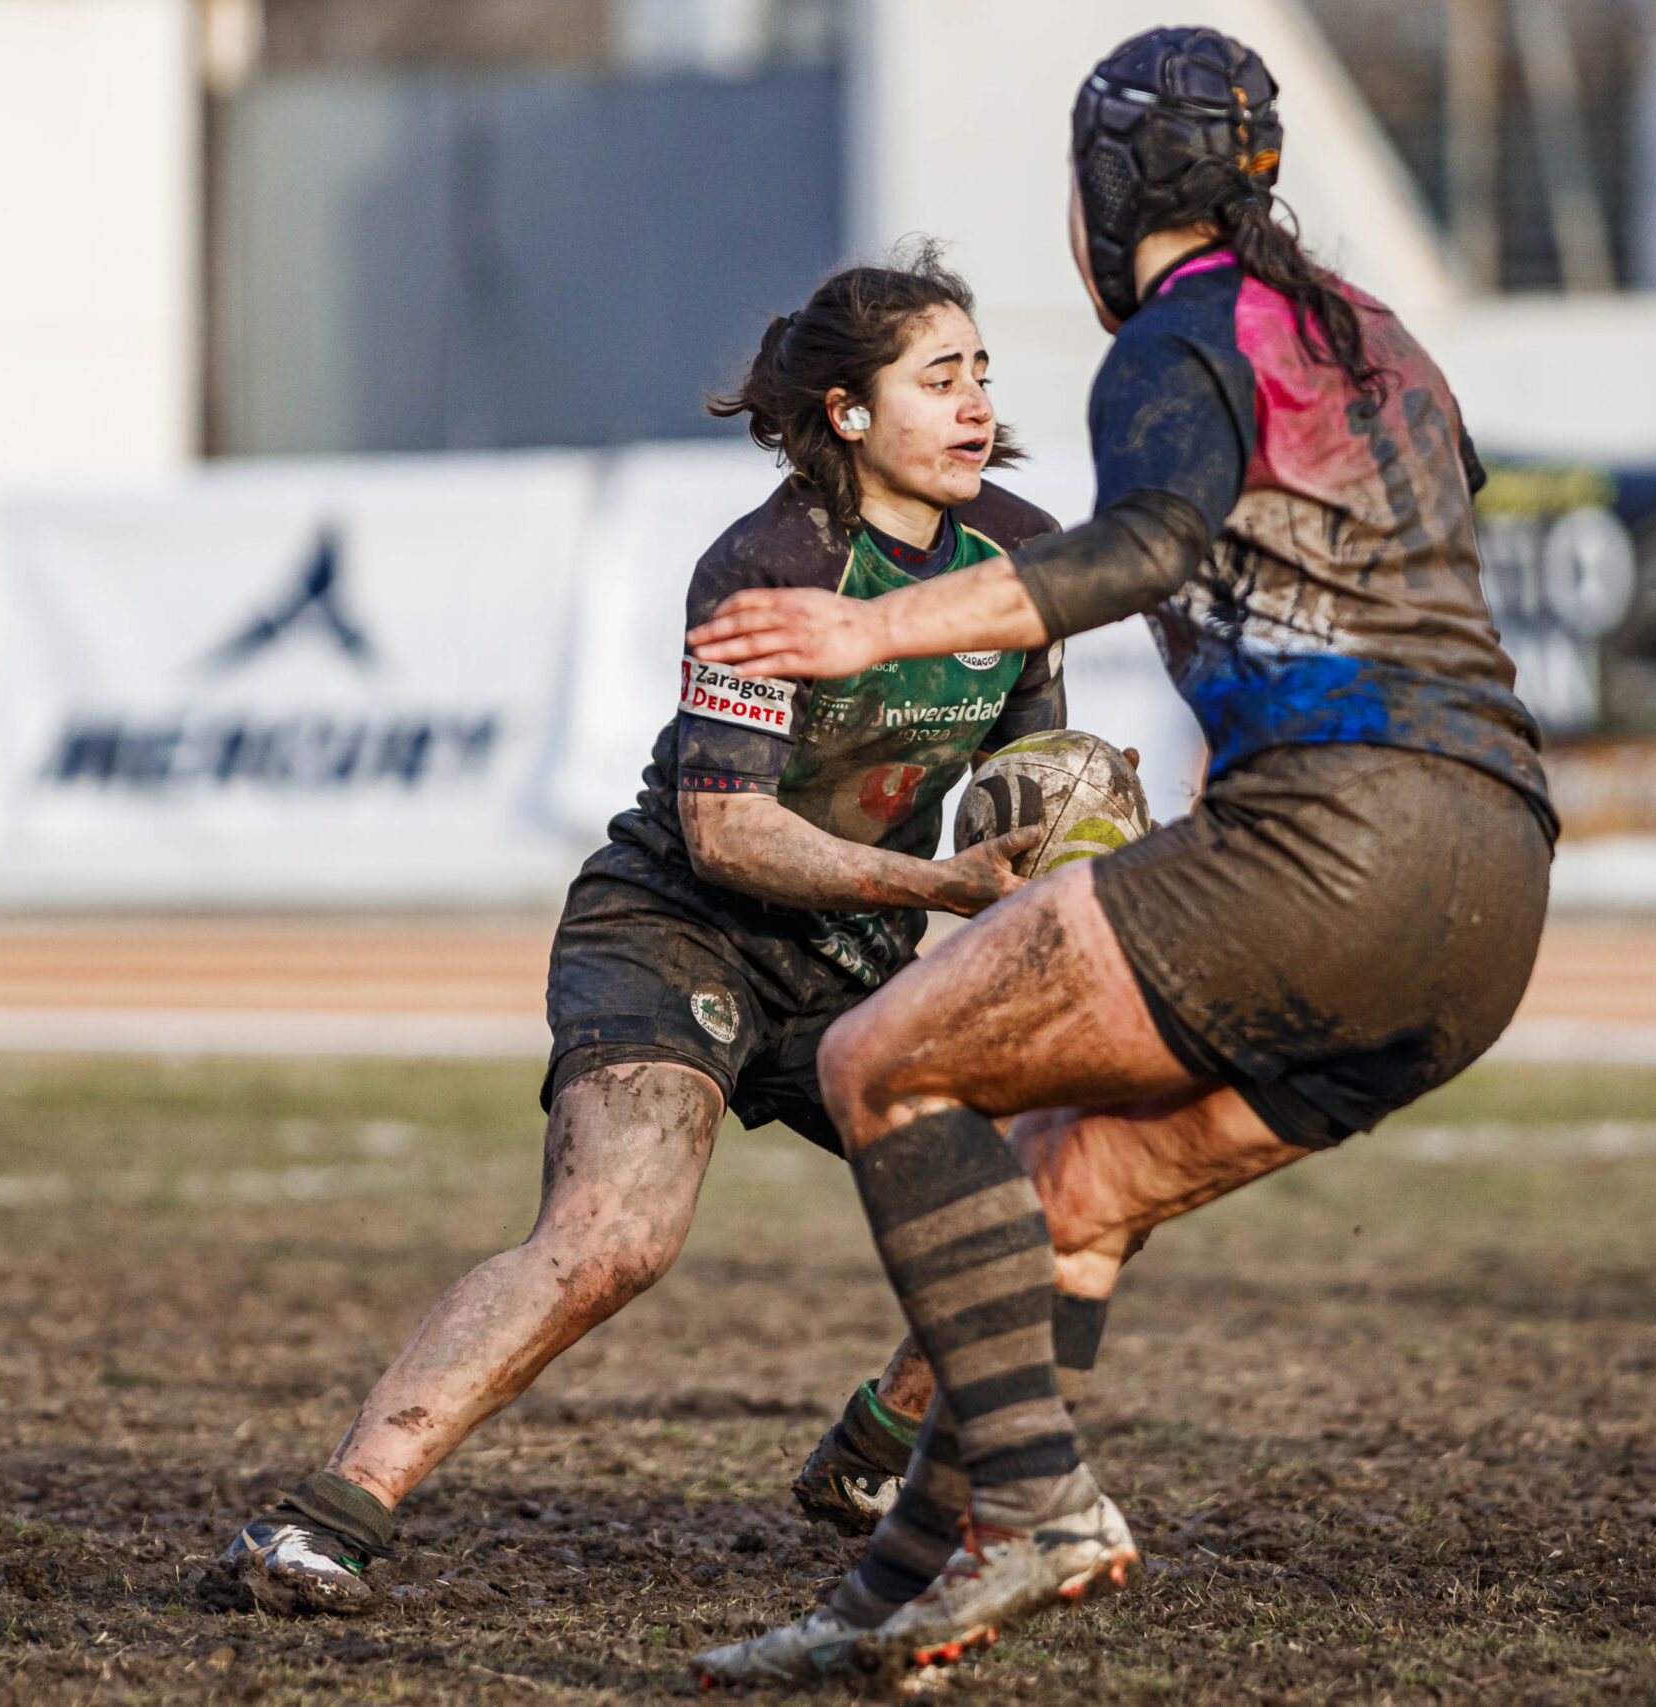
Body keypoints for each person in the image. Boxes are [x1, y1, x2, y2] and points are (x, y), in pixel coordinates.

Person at [688, 27, 1553, 1685]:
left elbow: (1143, 545)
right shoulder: (1378, 336)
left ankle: (1044, 1500)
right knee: (1076, 1190)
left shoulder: (1178, 336)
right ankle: (884, 1595)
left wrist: (873, 632)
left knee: (880, 1057)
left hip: (1333, 846)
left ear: (1103, 194)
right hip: (1496, 888)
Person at [215, 250, 1068, 1612]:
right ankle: (326, 1517)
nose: (975, 403)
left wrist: (1076, 836)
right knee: (614, 1230)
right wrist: (940, 890)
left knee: (1061, 1169)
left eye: (982, 374)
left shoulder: (1021, 552)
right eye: (938, 376)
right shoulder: (769, 560)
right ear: (847, 412)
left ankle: (875, 1449)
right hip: (679, 928)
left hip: (852, 960)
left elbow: (1041, 776)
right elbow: (728, 828)